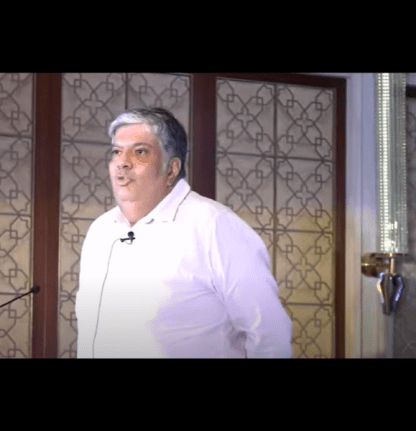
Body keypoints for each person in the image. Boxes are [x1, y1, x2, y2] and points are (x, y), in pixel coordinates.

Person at [75, 107, 292, 358]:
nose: (122, 162)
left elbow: (270, 336)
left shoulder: (215, 226)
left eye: (140, 151)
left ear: (171, 169)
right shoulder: (100, 230)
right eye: (116, 152)